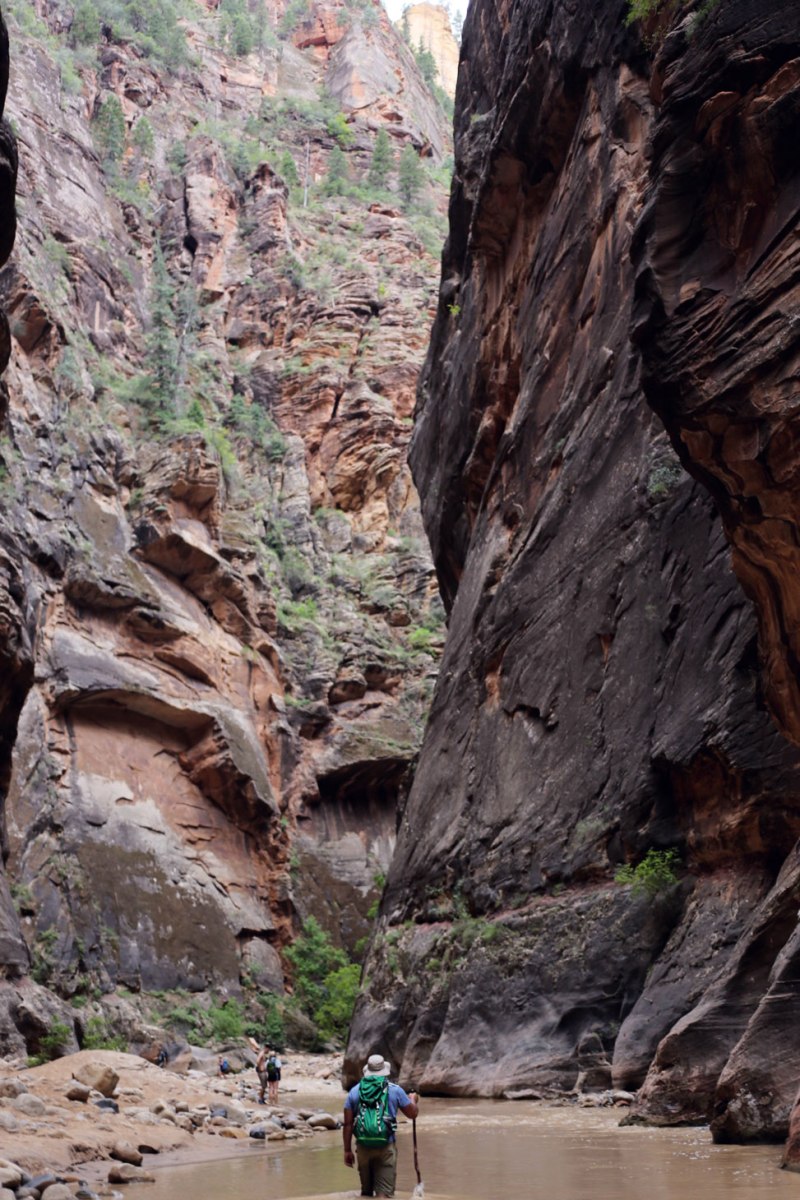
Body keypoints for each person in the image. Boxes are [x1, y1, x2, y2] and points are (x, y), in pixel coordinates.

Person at [343, 1053, 419, 1198]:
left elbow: (347, 1124)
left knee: (366, 1192)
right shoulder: (395, 1090)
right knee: (383, 1194)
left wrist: (347, 1150)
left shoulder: (354, 1091)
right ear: (384, 1071)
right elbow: (412, 1114)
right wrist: (412, 1099)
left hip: (363, 1147)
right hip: (386, 1146)